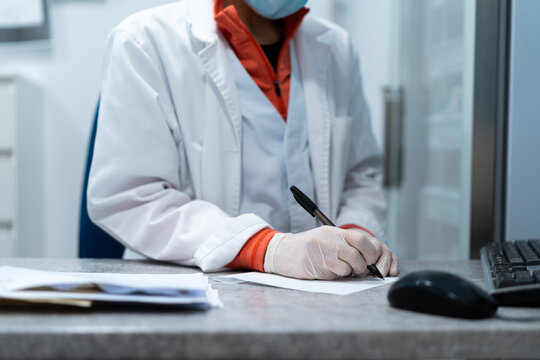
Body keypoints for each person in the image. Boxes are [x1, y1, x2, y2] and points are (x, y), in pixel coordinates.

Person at [87, 0, 399, 280]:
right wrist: (265, 248)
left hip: (327, 295)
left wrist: (355, 238)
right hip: (191, 291)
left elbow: (361, 176)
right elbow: (131, 196)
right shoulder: (144, 41)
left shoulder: (337, 48)